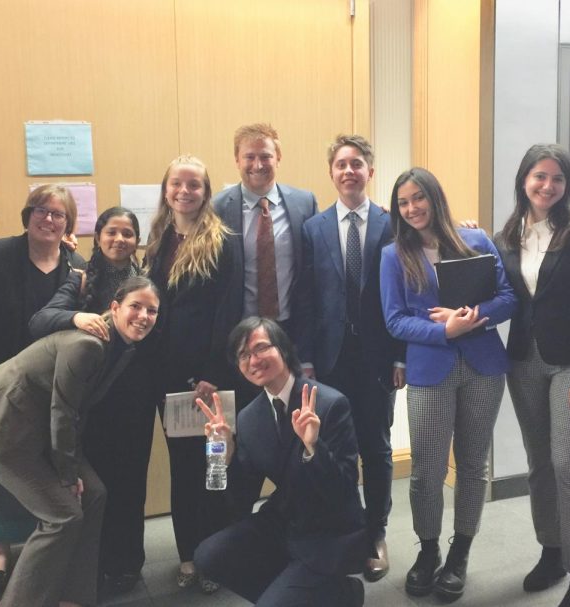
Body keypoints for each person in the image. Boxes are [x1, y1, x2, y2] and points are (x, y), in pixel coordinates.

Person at [0, 276, 160, 607]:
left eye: (152, 311)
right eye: (135, 307)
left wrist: (72, 471)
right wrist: (68, 475)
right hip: (1, 430)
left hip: (37, 429)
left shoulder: (122, 346)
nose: (143, 316)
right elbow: (63, 412)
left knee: (95, 493)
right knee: (62, 516)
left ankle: (72, 598)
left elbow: (73, 413)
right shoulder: (88, 344)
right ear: (114, 308)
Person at [380, 167, 516, 601]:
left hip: (483, 367)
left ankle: (460, 552)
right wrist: (444, 332)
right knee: (427, 471)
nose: (412, 208)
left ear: (434, 198)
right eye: (403, 202)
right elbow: (394, 319)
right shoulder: (393, 255)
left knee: (473, 466)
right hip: (429, 370)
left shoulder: (475, 240)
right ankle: (429, 550)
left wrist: (471, 318)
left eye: (418, 197)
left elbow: (509, 297)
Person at [493, 144, 570, 607]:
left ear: (567, 187)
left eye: (557, 179)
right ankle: (552, 551)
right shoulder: (504, 237)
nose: (547, 186)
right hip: (522, 361)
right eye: (539, 176)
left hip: (568, 366)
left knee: (568, 465)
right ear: (524, 179)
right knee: (539, 464)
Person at [0, 184, 86, 596]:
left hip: (45, 384)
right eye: (41, 211)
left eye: (58, 214)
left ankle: (37, 551)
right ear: (27, 214)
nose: (48, 220)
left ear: (68, 224)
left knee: (40, 470)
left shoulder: (76, 266)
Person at [194, 317, 368, 607]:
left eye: (261, 348)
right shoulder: (249, 418)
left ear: (284, 350)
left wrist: (314, 447)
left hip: (330, 529)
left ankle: (339, 594)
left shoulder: (329, 403)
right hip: (284, 519)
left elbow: (344, 489)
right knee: (207, 556)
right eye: (243, 355)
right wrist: (221, 456)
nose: (253, 360)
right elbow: (239, 502)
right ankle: (319, 595)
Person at [29, 206, 155, 597]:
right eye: (111, 232)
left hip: (136, 396)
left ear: (137, 240)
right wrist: (76, 318)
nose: (120, 240)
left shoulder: (147, 281)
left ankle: (127, 562)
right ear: (97, 236)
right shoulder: (81, 277)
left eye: (128, 233)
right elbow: (40, 320)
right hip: (94, 400)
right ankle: (94, 565)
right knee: (95, 486)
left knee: (132, 482)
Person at [295, 134, 405, 582]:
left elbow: (407, 291)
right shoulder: (313, 229)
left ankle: (376, 532)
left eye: (357, 164)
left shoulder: (391, 224)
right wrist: (304, 360)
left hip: (378, 359)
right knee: (334, 448)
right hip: (328, 359)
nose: (348, 171)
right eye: (341, 164)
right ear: (331, 172)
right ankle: (345, 529)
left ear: (370, 172)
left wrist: (400, 356)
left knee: (377, 450)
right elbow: (304, 299)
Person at [144, 155, 234, 592]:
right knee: (182, 469)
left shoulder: (222, 240)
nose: (184, 191)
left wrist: (214, 371)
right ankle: (187, 556)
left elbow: (226, 311)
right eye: (176, 183)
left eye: (194, 184)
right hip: (166, 377)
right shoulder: (157, 239)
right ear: (166, 190)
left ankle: (213, 556)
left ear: (205, 191)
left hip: (209, 377)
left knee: (214, 468)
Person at [212, 123, 318, 403]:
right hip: (241, 337)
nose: (258, 164)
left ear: (278, 158)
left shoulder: (304, 203)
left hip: (290, 333)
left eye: (266, 156)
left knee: (294, 417)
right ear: (237, 159)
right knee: (248, 423)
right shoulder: (217, 209)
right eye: (249, 156)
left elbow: (311, 275)